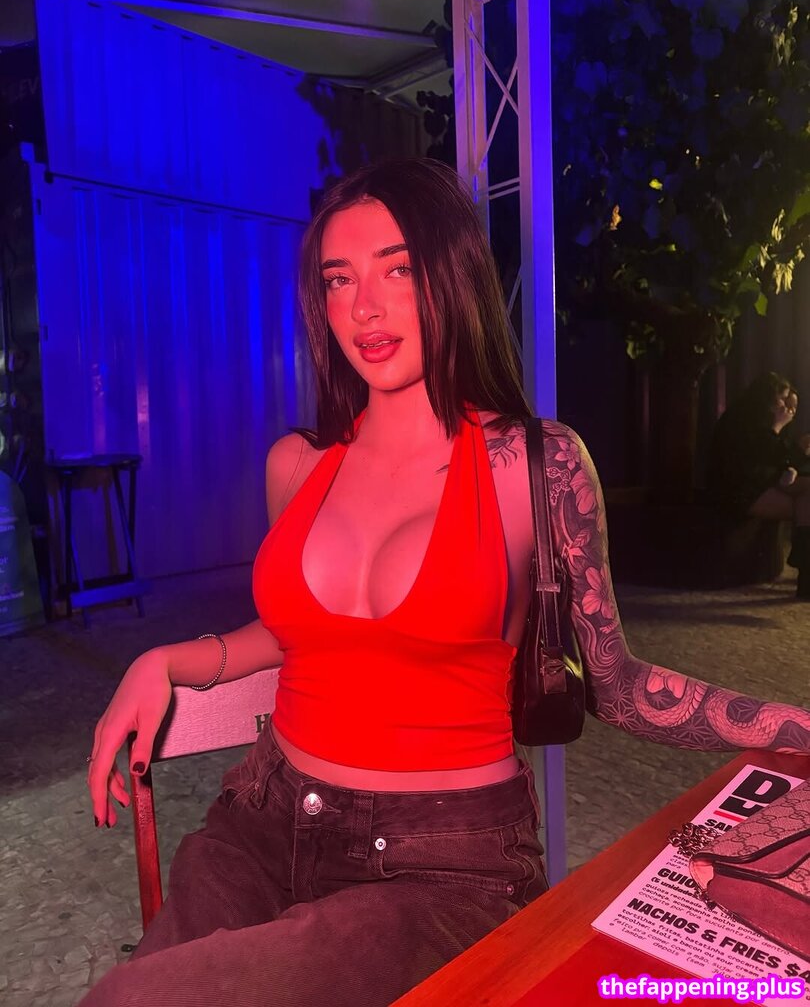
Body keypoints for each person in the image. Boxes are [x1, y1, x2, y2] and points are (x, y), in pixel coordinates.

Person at [79, 160, 810, 1007]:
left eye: (397, 270)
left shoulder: (534, 465)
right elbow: (296, 633)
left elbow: (619, 683)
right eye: (339, 279)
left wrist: (793, 723)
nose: (365, 307)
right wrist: (164, 660)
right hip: (262, 817)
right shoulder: (299, 464)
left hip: (440, 865)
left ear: (451, 277)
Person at [707, 372, 810, 598]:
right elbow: (765, 459)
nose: (784, 405)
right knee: (806, 503)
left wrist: (795, 449)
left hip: (762, 483)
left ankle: (805, 572)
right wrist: (778, 427)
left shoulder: (766, 420)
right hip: (738, 491)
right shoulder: (742, 420)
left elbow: (782, 460)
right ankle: (806, 573)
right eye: (781, 398)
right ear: (767, 396)